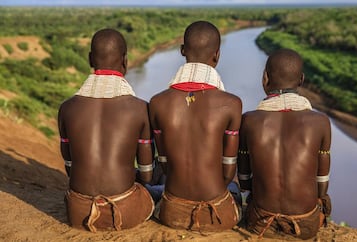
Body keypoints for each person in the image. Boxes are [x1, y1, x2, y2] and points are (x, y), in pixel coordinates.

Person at [149, 20, 242, 233]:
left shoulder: (157, 102)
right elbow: (228, 173)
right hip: (217, 213)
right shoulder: (232, 104)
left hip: (172, 211)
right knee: (234, 186)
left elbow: (164, 165)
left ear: (182, 50)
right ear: (217, 55)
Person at [58, 28, 154, 232]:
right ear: (125, 61)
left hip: (78, 211)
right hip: (124, 209)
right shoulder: (139, 108)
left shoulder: (67, 108)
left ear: (90, 59)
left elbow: (69, 168)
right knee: (160, 180)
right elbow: (146, 176)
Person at [237, 48, 332, 240]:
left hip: (261, 221)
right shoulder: (320, 122)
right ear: (301, 79)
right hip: (305, 224)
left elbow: (245, 182)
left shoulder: (249, 120)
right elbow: (322, 185)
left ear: (265, 78)